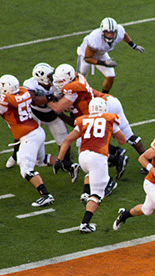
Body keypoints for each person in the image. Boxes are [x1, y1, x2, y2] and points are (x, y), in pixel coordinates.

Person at [48, 63, 126, 195]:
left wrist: (46, 100)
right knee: (91, 154)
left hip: (88, 119)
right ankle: (116, 158)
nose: (58, 83)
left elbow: (58, 109)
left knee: (88, 154)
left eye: (61, 81)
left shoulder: (73, 88)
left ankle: (107, 179)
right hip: (90, 119)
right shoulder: (77, 79)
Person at [54, 97, 126, 233]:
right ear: (104, 108)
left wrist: (59, 160)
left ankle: (86, 193)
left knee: (90, 174)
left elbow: (67, 140)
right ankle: (85, 224)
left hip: (83, 157)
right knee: (98, 194)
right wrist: (111, 133)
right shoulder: (109, 118)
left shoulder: (83, 120)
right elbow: (122, 141)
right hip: (97, 157)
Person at [0, 74, 56, 207]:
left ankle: (46, 195)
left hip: (28, 136)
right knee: (41, 161)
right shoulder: (24, 92)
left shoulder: (5, 102)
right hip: (37, 131)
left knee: (26, 170)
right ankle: (69, 165)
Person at [5, 63, 78, 181]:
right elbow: (33, 100)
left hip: (54, 114)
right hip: (35, 114)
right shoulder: (30, 84)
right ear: (42, 78)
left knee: (64, 140)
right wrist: (51, 97)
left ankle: (65, 161)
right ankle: (14, 155)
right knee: (21, 134)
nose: (52, 77)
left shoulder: (57, 81)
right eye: (49, 76)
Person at [76, 17, 145, 93]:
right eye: (108, 33)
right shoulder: (94, 39)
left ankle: (104, 96)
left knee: (111, 75)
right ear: (102, 32)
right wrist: (104, 63)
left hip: (101, 54)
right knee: (80, 79)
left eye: (113, 33)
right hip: (85, 55)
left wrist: (134, 46)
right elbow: (87, 58)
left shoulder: (119, 32)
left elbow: (124, 35)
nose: (110, 35)